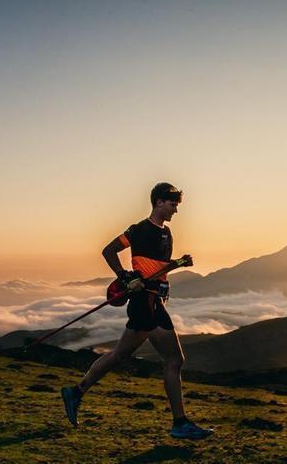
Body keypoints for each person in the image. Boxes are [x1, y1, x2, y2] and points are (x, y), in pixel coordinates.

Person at [61, 182, 213, 439]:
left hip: (155, 300)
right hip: (145, 302)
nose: (176, 210)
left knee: (119, 355)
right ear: (158, 202)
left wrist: (178, 264)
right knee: (175, 360)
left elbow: (155, 269)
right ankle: (180, 423)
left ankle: (75, 392)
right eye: (172, 204)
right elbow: (109, 251)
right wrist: (124, 276)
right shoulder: (140, 229)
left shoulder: (167, 234)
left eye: (177, 205)